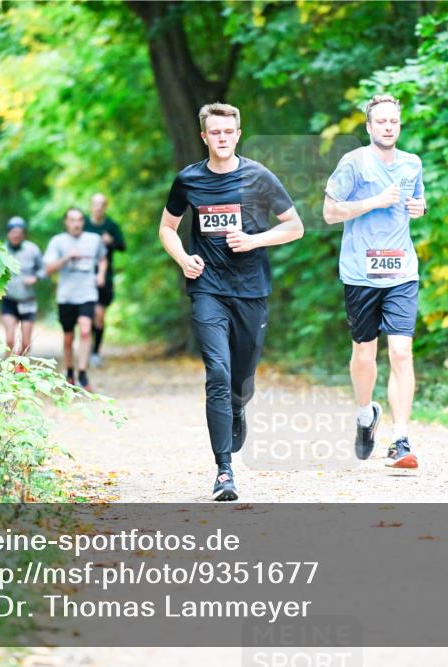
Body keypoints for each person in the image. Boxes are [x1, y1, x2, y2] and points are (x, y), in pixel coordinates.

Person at [158, 102, 304, 501]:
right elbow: (168, 228)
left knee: (240, 379)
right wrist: (183, 258)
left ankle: (239, 407)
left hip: (251, 290)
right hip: (208, 288)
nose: (222, 139)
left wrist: (255, 240)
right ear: (204, 136)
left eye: (229, 132)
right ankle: (225, 471)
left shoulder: (258, 177)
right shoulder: (188, 180)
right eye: (215, 133)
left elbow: (295, 227)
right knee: (217, 374)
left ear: (238, 134)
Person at [322, 94, 426, 470]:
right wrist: (374, 201)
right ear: (368, 127)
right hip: (360, 273)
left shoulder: (412, 164)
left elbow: (416, 201)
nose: (387, 127)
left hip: (401, 272)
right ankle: (366, 415)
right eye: (380, 121)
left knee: (401, 352)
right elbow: (330, 212)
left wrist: (420, 207)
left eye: (393, 122)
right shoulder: (353, 163)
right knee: (365, 355)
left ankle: (400, 439)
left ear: (399, 125)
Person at [43, 207, 108, 391]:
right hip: (66, 296)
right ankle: (70, 372)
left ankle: (83, 374)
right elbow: (48, 269)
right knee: (68, 338)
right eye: (72, 220)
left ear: (83, 222)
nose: (76, 223)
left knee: (86, 331)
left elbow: (103, 258)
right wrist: (66, 257)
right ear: (66, 222)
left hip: (87, 294)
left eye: (79, 219)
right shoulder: (58, 241)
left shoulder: (93, 240)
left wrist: (101, 274)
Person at [85, 193, 126, 366]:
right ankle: (84, 349)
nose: (98, 207)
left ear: (105, 207)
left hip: (104, 278)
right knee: (86, 317)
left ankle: (95, 352)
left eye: (102, 204)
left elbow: (123, 247)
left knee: (99, 316)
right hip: (83, 278)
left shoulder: (112, 226)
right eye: (95, 204)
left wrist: (112, 241)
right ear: (90, 206)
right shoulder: (83, 225)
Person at [0, 217, 45, 361]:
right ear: (8, 233)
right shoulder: (1, 250)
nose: (16, 236)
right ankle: (8, 370)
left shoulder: (32, 249)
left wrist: (35, 278)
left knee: (26, 342)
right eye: (13, 233)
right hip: (9, 299)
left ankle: (21, 369)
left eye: (19, 233)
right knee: (10, 339)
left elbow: (44, 269)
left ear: (23, 235)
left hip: (27, 300)